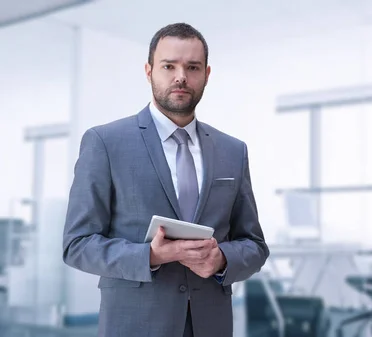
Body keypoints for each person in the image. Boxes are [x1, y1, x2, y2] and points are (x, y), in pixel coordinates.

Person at [62, 22, 269, 337]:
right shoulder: (105, 142)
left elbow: (254, 245)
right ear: (148, 71)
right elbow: (77, 245)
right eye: (168, 66)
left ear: (207, 74)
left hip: (211, 325)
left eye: (192, 67)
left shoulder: (232, 150)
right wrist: (152, 256)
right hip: (136, 325)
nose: (181, 76)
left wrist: (222, 259)